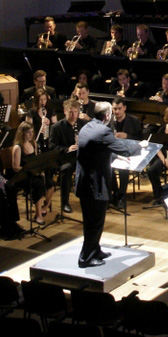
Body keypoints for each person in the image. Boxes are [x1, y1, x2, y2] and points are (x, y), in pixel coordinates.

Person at [75, 101, 141, 267]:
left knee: (92, 220)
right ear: (107, 115)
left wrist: (116, 157)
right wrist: (141, 145)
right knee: (95, 222)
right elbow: (126, 150)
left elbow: (96, 150)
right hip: (95, 185)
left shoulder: (87, 127)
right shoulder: (104, 131)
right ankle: (86, 258)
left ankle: (95, 249)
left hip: (84, 183)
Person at [10, 120, 55, 225]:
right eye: (28, 132)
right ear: (22, 133)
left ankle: (44, 208)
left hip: (33, 174)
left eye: (32, 132)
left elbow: (35, 161)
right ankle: (38, 215)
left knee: (51, 185)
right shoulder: (18, 147)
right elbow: (15, 167)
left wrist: (39, 170)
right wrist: (31, 171)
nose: (31, 134)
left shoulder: (33, 143)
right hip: (22, 176)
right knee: (39, 185)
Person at [49, 99, 86, 213]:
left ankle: (89, 198)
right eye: (70, 112)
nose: (73, 115)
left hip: (81, 156)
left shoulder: (83, 124)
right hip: (65, 158)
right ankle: (65, 202)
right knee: (66, 169)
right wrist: (67, 149)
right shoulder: (56, 127)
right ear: (65, 111)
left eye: (75, 112)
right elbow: (52, 146)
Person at [109, 97, 142, 208]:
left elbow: (140, 139)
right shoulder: (109, 120)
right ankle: (115, 191)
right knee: (107, 166)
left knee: (123, 167)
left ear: (124, 108)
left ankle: (121, 195)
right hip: (113, 151)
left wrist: (127, 136)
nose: (117, 111)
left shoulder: (134, 120)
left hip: (129, 152)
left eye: (119, 108)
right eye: (114, 109)